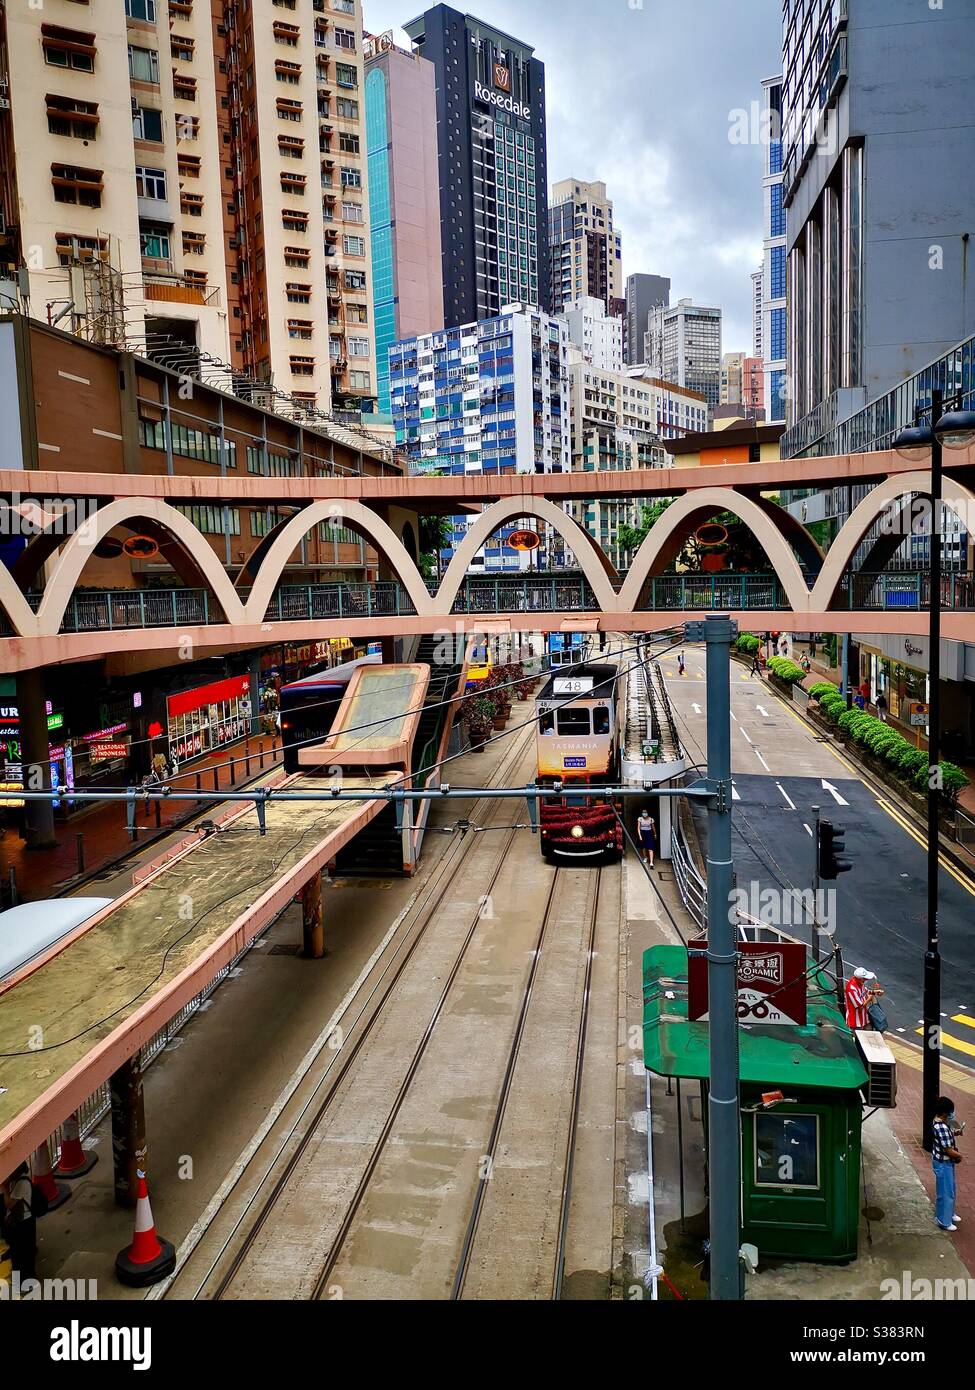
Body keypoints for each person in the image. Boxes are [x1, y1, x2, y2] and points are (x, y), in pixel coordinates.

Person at [932, 1096, 963, 1232]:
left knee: (950, 1189)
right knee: (945, 1192)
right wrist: (960, 1156)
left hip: (945, 1163)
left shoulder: (940, 1122)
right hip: (943, 1164)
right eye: (951, 1112)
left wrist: (956, 1132)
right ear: (945, 1113)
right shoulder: (941, 1127)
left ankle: (949, 1213)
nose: (952, 1114)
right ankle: (943, 1221)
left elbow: (947, 1135)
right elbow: (948, 1150)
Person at [2, 1162, 37, 1281]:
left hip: (23, 1224)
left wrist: (5, 1189)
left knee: (23, 1256)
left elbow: (9, 1204)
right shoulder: (16, 1182)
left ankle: (26, 1281)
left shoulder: (22, 1183)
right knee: (19, 1254)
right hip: (20, 1224)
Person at [844, 966, 883, 1030]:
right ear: (859, 979)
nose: (866, 980)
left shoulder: (860, 983)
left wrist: (875, 992)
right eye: (864, 979)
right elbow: (860, 1007)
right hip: (855, 1022)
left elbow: (865, 992)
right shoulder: (851, 989)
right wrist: (870, 998)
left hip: (864, 1019)